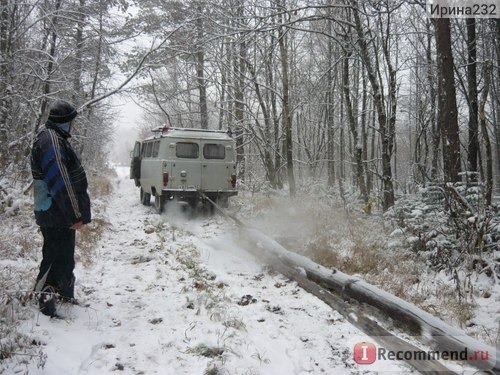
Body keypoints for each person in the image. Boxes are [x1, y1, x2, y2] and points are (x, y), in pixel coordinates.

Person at [31, 100, 91, 317]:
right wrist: (75, 214)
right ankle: (44, 302)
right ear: (64, 121)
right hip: (54, 212)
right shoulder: (51, 141)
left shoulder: (55, 138)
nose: (72, 125)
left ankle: (65, 295)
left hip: (57, 212)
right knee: (54, 256)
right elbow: (61, 181)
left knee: (65, 256)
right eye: (71, 121)